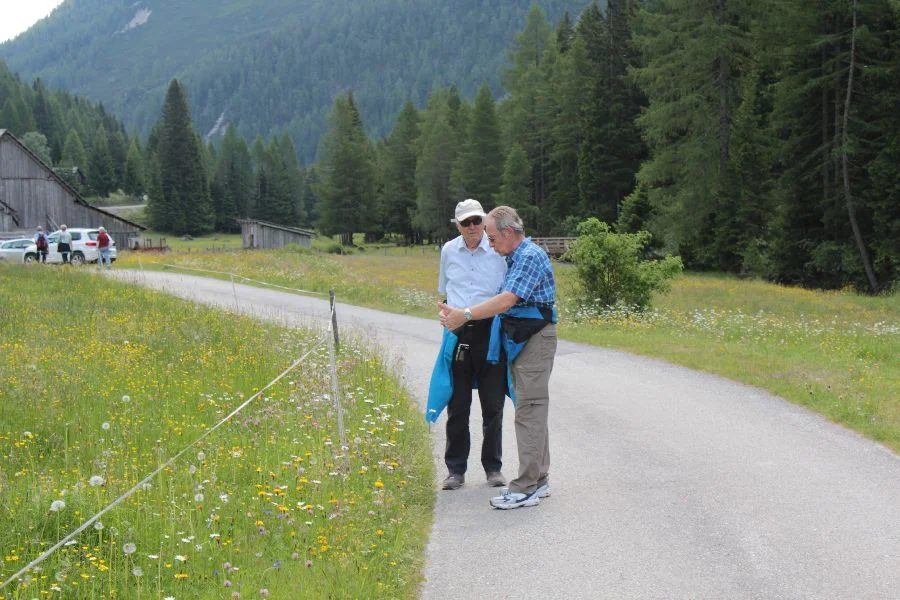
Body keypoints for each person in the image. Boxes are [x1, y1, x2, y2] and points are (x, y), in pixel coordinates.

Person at [439, 205, 557, 510]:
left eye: (492, 238)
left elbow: (506, 300)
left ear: (507, 233)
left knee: (528, 410)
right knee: (531, 408)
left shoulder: (528, 257)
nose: (490, 244)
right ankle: (539, 479)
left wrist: (465, 314)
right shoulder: (515, 257)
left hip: (533, 339)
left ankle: (526, 487)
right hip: (520, 340)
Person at [430, 199, 508, 491]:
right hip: (458, 332)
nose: (473, 227)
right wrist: (446, 314)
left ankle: (493, 468)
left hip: (491, 331)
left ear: (484, 220)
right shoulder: (449, 250)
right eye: (466, 223)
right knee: (458, 403)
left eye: (477, 221)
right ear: (458, 225)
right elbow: (446, 291)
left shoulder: (497, 249)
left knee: (493, 404)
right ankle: (455, 470)